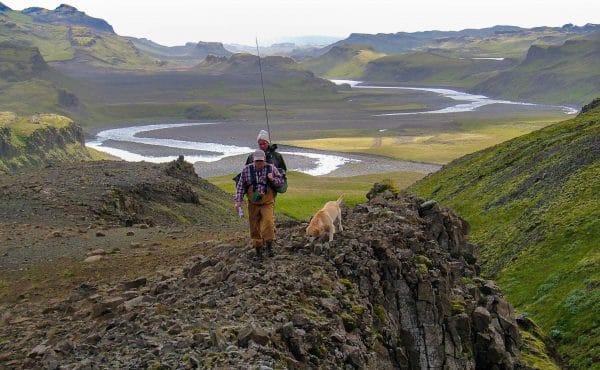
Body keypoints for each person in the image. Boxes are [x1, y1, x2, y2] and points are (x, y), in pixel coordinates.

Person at [235, 149, 284, 258]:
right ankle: (258, 251)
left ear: (264, 160)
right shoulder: (246, 170)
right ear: (253, 160)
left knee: (268, 222)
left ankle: (269, 247)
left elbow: (281, 181)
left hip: (267, 202)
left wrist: (272, 179)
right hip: (253, 203)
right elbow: (241, 186)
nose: (259, 163)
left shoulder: (271, 168)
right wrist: (238, 201)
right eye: (257, 161)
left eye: (261, 161)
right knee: (254, 226)